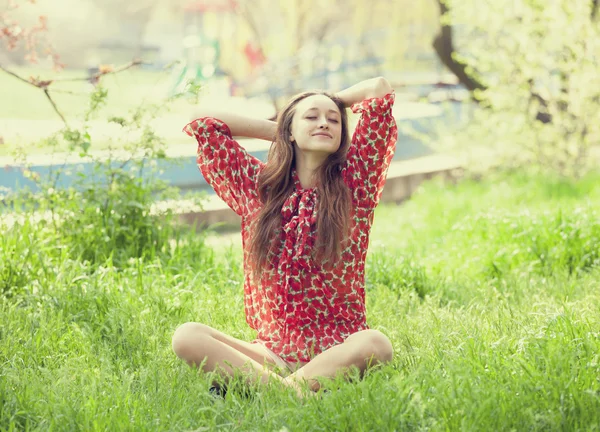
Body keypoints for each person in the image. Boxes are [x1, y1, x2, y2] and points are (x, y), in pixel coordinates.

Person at [172, 77, 398, 397]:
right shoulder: (259, 189)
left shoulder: (356, 184)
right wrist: (281, 130)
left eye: (333, 119)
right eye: (312, 117)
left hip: (338, 346)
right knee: (187, 336)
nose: (324, 123)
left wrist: (327, 100)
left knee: (376, 344)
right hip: (273, 352)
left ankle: (263, 390)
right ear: (289, 129)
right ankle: (294, 393)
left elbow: (379, 88)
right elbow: (202, 121)